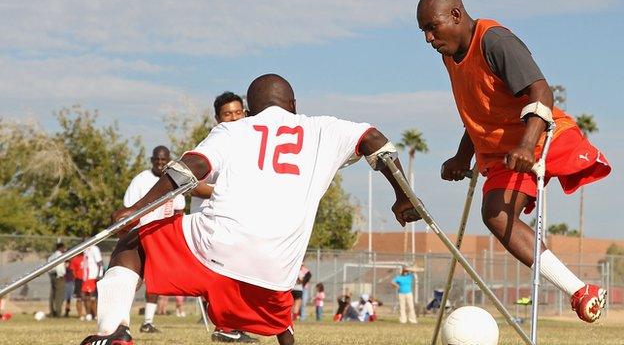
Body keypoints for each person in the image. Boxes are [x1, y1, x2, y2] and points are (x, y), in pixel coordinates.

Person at [79, 73, 417, 345]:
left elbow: (191, 166)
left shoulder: (233, 129)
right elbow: (376, 141)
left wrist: (137, 209)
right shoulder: (324, 129)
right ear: (294, 105)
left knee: (134, 243)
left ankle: (114, 334)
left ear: (250, 111)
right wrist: (403, 195)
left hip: (214, 250)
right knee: (274, 300)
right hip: (274, 274)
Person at [416, 0, 612, 323]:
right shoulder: (450, 57)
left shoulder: (494, 40)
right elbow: (479, 111)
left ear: (455, 14)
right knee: (495, 216)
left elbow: (541, 92)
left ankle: (578, 292)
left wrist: (526, 143)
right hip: (503, 151)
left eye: (433, 28)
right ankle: (582, 291)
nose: (428, 39)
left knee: (497, 212)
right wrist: (462, 156)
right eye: (423, 31)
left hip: (537, 138)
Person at [189, 91, 258, 343]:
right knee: (223, 275)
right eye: (227, 114)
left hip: (232, 221)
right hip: (210, 221)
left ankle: (231, 326)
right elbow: (193, 184)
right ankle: (225, 328)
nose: (234, 118)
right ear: (217, 119)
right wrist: (229, 192)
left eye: (238, 113)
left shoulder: (249, 145)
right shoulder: (214, 143)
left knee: (238, 273)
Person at [123, 145, 186, 333]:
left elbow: (179, 208)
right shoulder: (141, 180)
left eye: (164, 160)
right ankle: (121, 320)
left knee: (155, 280)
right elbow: (128, 206)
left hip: (162, 237)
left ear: (168, 161)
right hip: (140, 234)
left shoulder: (174, 181)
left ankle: (147, 322)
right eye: (157, 160)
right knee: (133, 279)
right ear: (152, 160)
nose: (160, 163)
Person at [82, 244, 103, 321]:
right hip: (86, 277)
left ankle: (93, 314)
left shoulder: (94, 248)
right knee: (86, 296)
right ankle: (90, 314)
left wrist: (99, 274)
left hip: (92, 276)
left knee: (91, 296)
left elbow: (100, 262)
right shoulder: (85, 249)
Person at [48, 242, 66, 317]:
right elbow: (60, 266)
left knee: (53, 294)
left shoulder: (52, 256)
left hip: (52, 276)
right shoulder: (59, 255)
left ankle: (52, 312)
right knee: (59, 295)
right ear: (60, 248)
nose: (64, 249)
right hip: (58, 276)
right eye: (63, 248)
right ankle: (58, 312)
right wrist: (61, 275)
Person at [68, 253, 85, 320]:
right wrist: (76, 278)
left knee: (89, 297)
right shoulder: (75, 259)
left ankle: (91, 314)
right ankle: (80, 315)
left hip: (88, 279)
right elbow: (73, 270)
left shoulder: (88, 257)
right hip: (79, 280)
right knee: (79, 298)